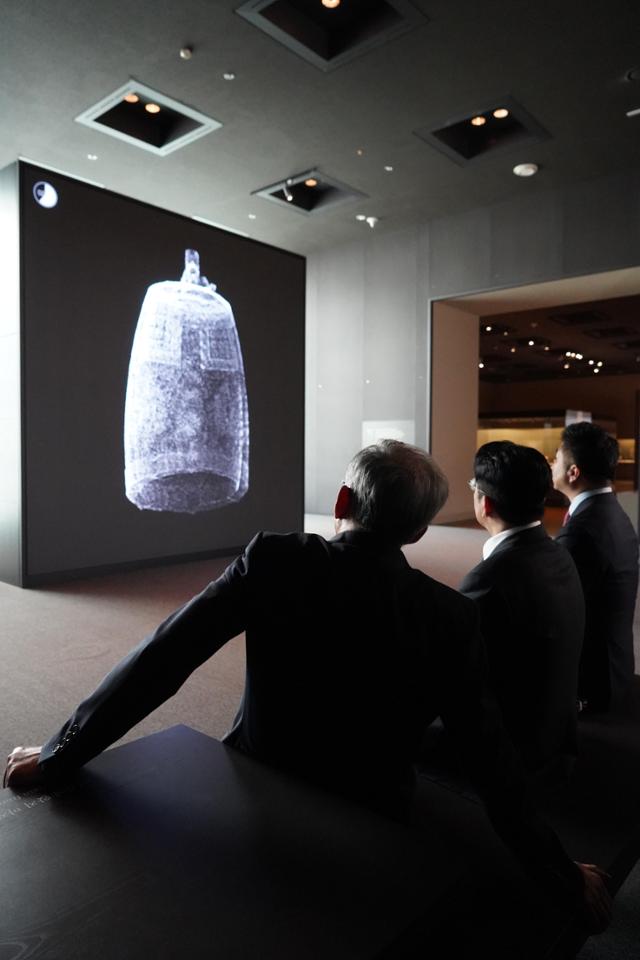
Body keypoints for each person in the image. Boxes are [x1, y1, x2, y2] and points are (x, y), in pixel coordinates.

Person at [4, 440, 610, 927]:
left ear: (342, 497)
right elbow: (489, 755)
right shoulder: (449, 615)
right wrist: (558, 871)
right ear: (420, 531)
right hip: (373, 818)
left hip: (253, 781)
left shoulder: (274, 560)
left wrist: (60, 755)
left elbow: (162, 658)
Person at [459, 441, 584, 786]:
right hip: (556, 731)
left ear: (485, 503)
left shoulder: (488, 580)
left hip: (515, 748)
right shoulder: (559, 554)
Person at [552, 422, 639, 713]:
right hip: (616, 665)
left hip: (591, 678)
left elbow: (560, 608)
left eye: (555, 459)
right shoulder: (614, 513)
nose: (551, 465)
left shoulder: (582, 530)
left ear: (573, 472)